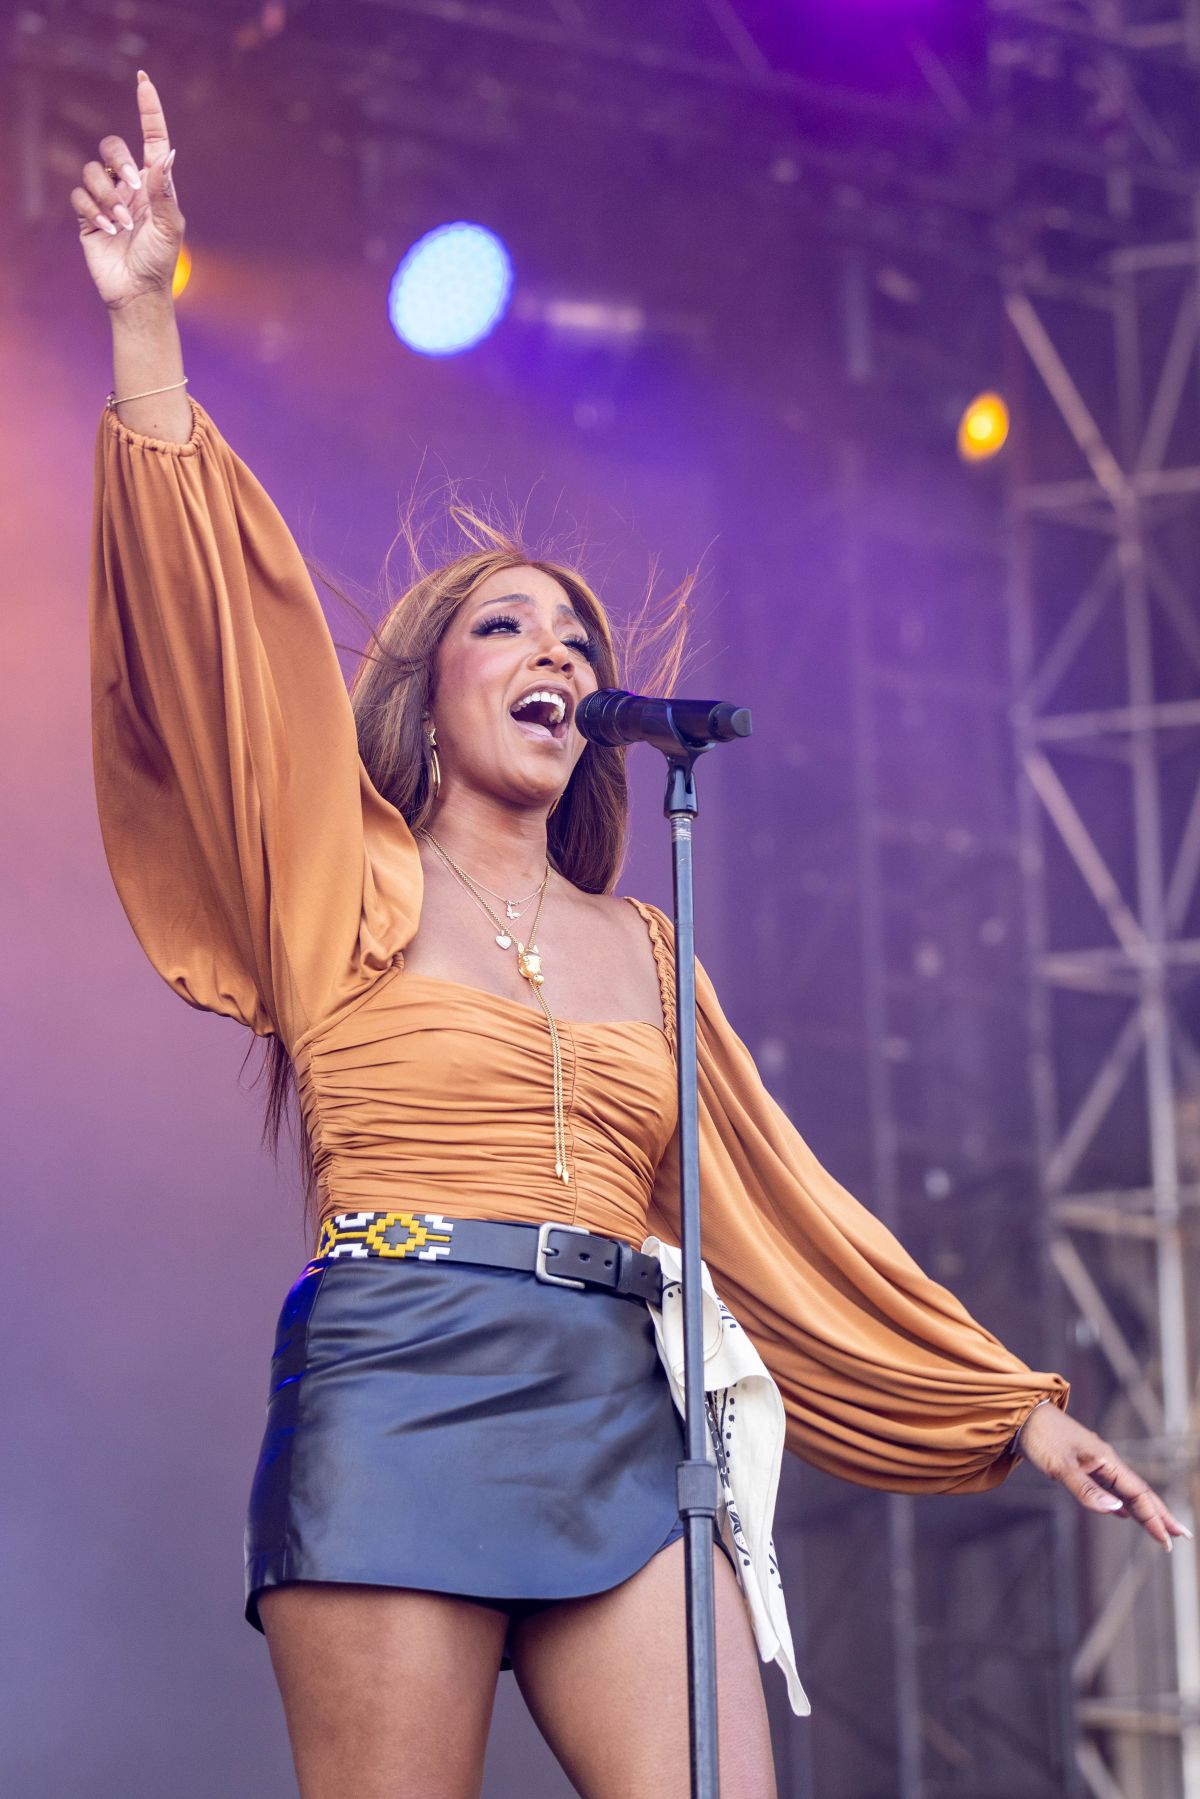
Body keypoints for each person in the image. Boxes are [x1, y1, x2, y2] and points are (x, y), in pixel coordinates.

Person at [76, 71, 1191, 1799]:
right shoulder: (336, 873)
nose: (561, 653)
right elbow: (222, 642)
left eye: (580, 641)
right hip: (399, 1382)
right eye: (507, 626)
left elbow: (775, 1207)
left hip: (617, 1413)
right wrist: (148, 332)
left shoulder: (646, 951)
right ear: (432, 690)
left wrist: (1004, 1409)